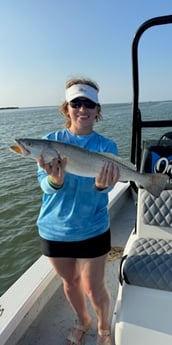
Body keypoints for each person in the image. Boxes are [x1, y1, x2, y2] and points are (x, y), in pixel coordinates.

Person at [37, 77, 120, 345]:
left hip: (93, 228)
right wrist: (54, 181)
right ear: (66, 108)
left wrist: (100, 186)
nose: (82, 109)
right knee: (71, 283)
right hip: (54, 230)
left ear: (97, 110)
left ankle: (104, 327)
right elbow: (44, 185)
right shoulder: (49, 142)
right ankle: (83, 322)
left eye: (88, 104)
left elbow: (105, 191)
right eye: (76, 103)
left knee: (94, 288)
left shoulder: (106, 147)